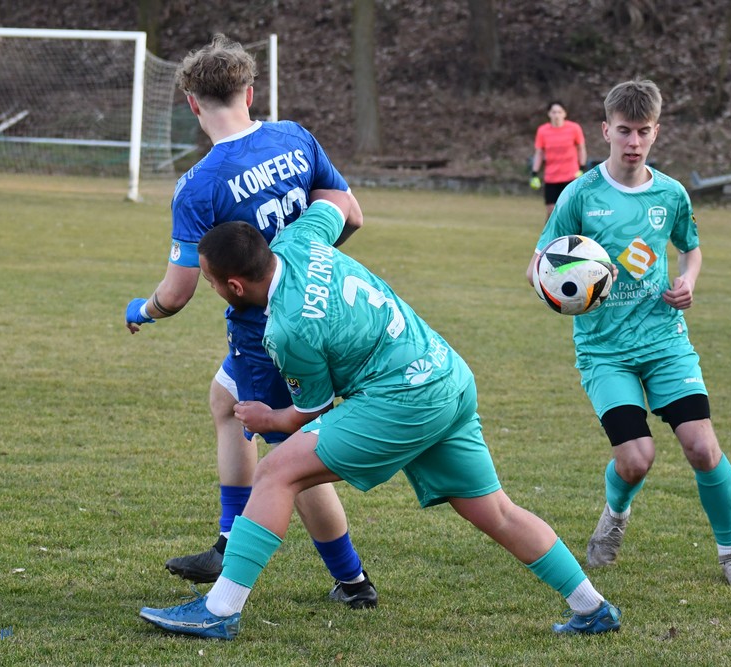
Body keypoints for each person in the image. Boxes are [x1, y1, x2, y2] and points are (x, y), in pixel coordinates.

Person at [138, 189, 623, 640]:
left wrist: (269, 418)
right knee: (497, 511)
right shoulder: (298, 238)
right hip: (447, 374)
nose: (211, 288)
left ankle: (219, 610)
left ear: (235, 286)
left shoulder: (287, 329)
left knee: (275, 474)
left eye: (210, 282)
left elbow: (312, 412)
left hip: (403, 399)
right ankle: (591, 607)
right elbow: (337, 201)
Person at [124, 34, 378, 609]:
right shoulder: (294, 137)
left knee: (291, 458)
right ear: (249, 92)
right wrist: (308, 262)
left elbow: (178, 293)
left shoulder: (200, 185)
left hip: (270, 334)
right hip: (325, 306)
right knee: (225, 401)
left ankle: (353, 581)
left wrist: (142, 310)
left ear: (192, 103)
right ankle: (227, 538)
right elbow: (352, 215)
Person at [526, 79, 731, 590]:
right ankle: (615, 516)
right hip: (605, 350)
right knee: (635, 460)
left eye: (643, 131)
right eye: (624, 131)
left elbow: (690, 248)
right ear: (605, 130)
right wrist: (568, 291)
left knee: (702, 448)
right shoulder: (580, 194)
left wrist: (688, 281)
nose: (633, 142)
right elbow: (537, 266)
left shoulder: (670, 194)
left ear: (656, 132)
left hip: (664, 341)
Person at [530, 101, 587, 219]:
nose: (557, 115)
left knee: (570, 210)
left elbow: (581, 148)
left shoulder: (574, 128)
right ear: (549, 114)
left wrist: (582, 167)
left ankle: (572, 231)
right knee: (551, 211)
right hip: (551, 177)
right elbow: (539, 153)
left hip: (571, 176)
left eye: (559, 112)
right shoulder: (542, 131)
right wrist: (534, 173)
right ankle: (549, 232)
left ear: (564, 114)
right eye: (554, 112)